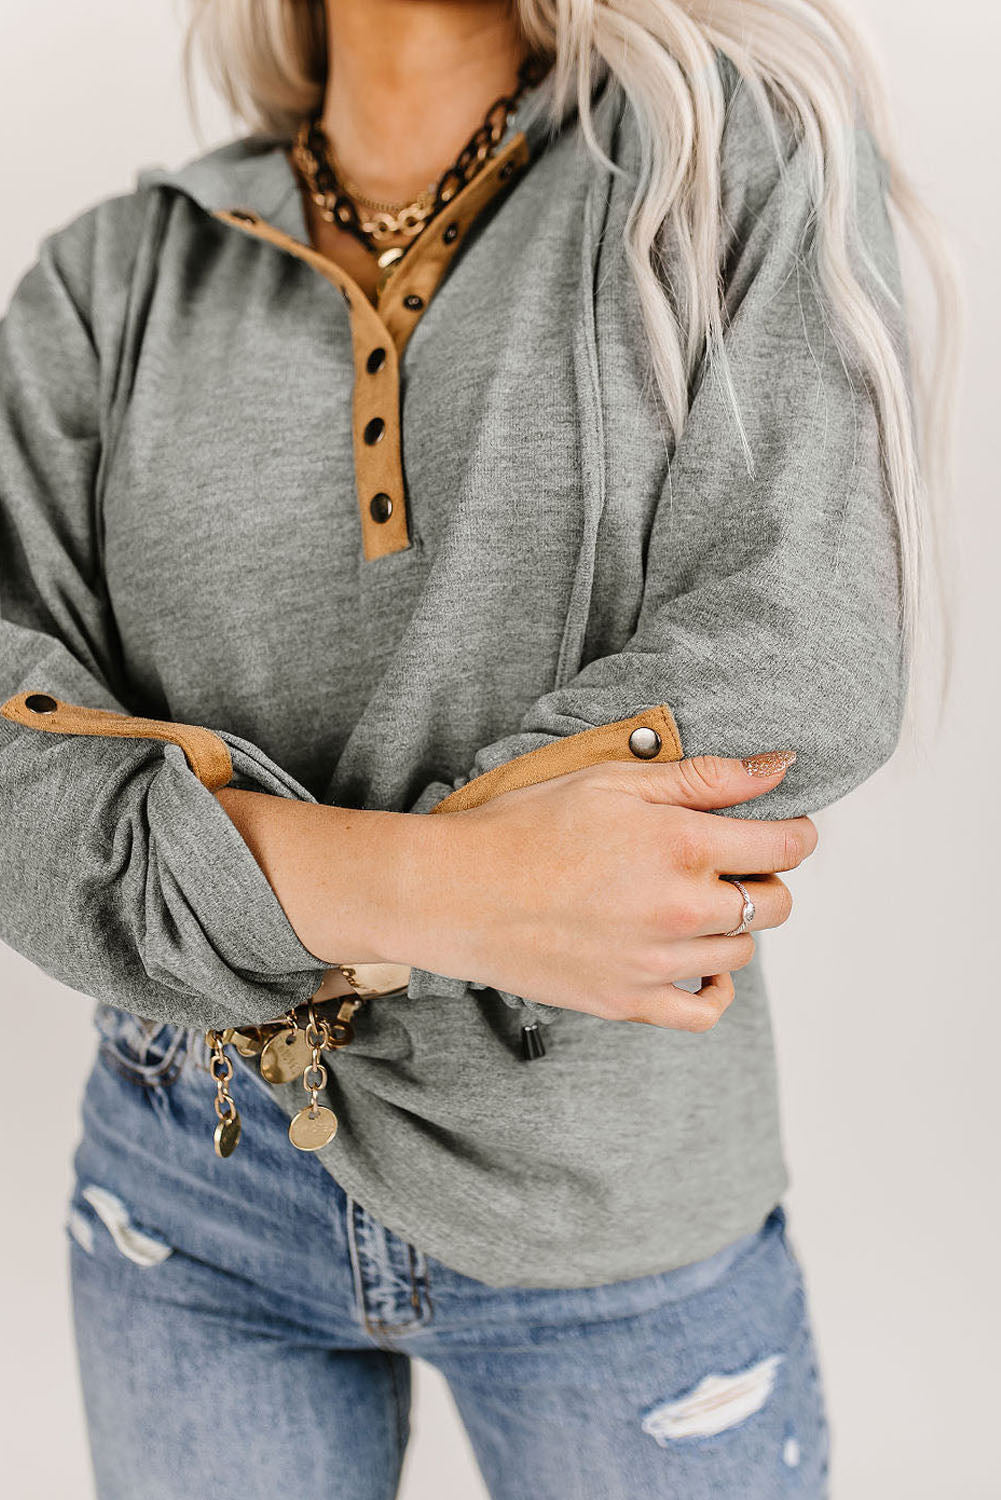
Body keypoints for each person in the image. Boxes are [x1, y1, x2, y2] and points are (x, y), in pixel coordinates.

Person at [0, 1, 953, 1496]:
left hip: (607, 1193)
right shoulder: (106, 284)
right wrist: (457, 893)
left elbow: (803, 648)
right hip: (190, 1185)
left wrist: (268, 884)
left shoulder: (726, 174)